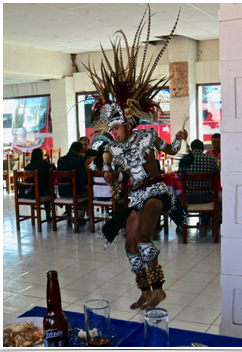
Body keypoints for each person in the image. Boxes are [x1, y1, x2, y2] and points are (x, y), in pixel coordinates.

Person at [83, 4, 184, 310]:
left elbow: (172, 152)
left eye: (114, 128)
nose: (111, 133)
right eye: (108, 130)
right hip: (134, 197)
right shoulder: (111, 147)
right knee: (129, 244)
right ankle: (145, 289)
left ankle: (159, 289)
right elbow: (107, 168)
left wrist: (178, 142)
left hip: (155, 192)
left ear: (126, 123)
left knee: (142, 236)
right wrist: (108, 174)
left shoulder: (148, 137)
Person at [177, 139, 221, 228]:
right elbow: (218, 176)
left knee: (173, 201)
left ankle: (181, 225)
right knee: (220, 202)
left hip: (188, 198)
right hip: (207, 198)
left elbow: (180, 177)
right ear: (203, 148)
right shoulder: (211, 160)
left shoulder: (184, 159)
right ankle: (208, 223)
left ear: (192, 149)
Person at [57, 141, 88, 223]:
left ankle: (68, 212)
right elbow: (82, 179)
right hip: (74, 193)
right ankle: (79, 217)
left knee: (79, 190)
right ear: (80, 150)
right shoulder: (79, 161)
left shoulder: (60, 160)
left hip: (62, 192)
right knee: (89, 193)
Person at [23, 148, 55, 221]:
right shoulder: (44, 163)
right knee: (47, 189)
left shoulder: (28, 166)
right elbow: (51, 173)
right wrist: (52, 166)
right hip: (43, 192)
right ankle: (48, 214)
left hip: (31, 192)